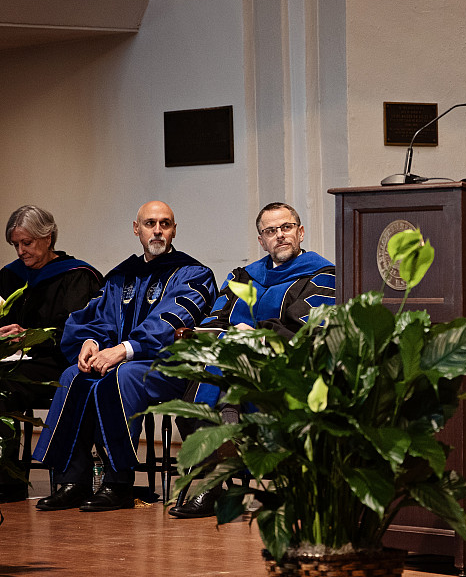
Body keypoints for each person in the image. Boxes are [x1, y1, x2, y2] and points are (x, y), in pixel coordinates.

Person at [32, 201, 217, 512]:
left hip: (170, 367)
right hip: (122, 363)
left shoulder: (193, 274)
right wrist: (91, 341)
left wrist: (124, 350)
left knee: (123, 376)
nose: (157, 230)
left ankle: (118, 482)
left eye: (165, 223)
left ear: (174, 230)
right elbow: (98, 318)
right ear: (136, 229)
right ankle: (72, 481)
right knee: (73, 376)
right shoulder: (120, 277)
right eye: (149, 223)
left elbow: (172, 320)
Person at [169, 202, 335, 519]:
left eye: (286, 228)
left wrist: (256, 334)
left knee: (219, 381)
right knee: (206, 372)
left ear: (300, 232)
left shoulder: (322, 275)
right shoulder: (244, 276)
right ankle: (222, 457)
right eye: (270, 231)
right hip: (235, 362)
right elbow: (214, 321)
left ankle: (215, 478)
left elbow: (309, 331)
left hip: (285, 366)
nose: (280, 235)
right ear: (261, 240)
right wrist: (232, 336)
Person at [0, 205, 103, 502]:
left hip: (56, 361)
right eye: (16, 245)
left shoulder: (77, 276)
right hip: (12, 361)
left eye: (27, 243)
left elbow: (81, 331)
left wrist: (32, 337)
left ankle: (9, 481)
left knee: (0, 386)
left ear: (47, 238)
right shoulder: (9, 276)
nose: (21, 251)